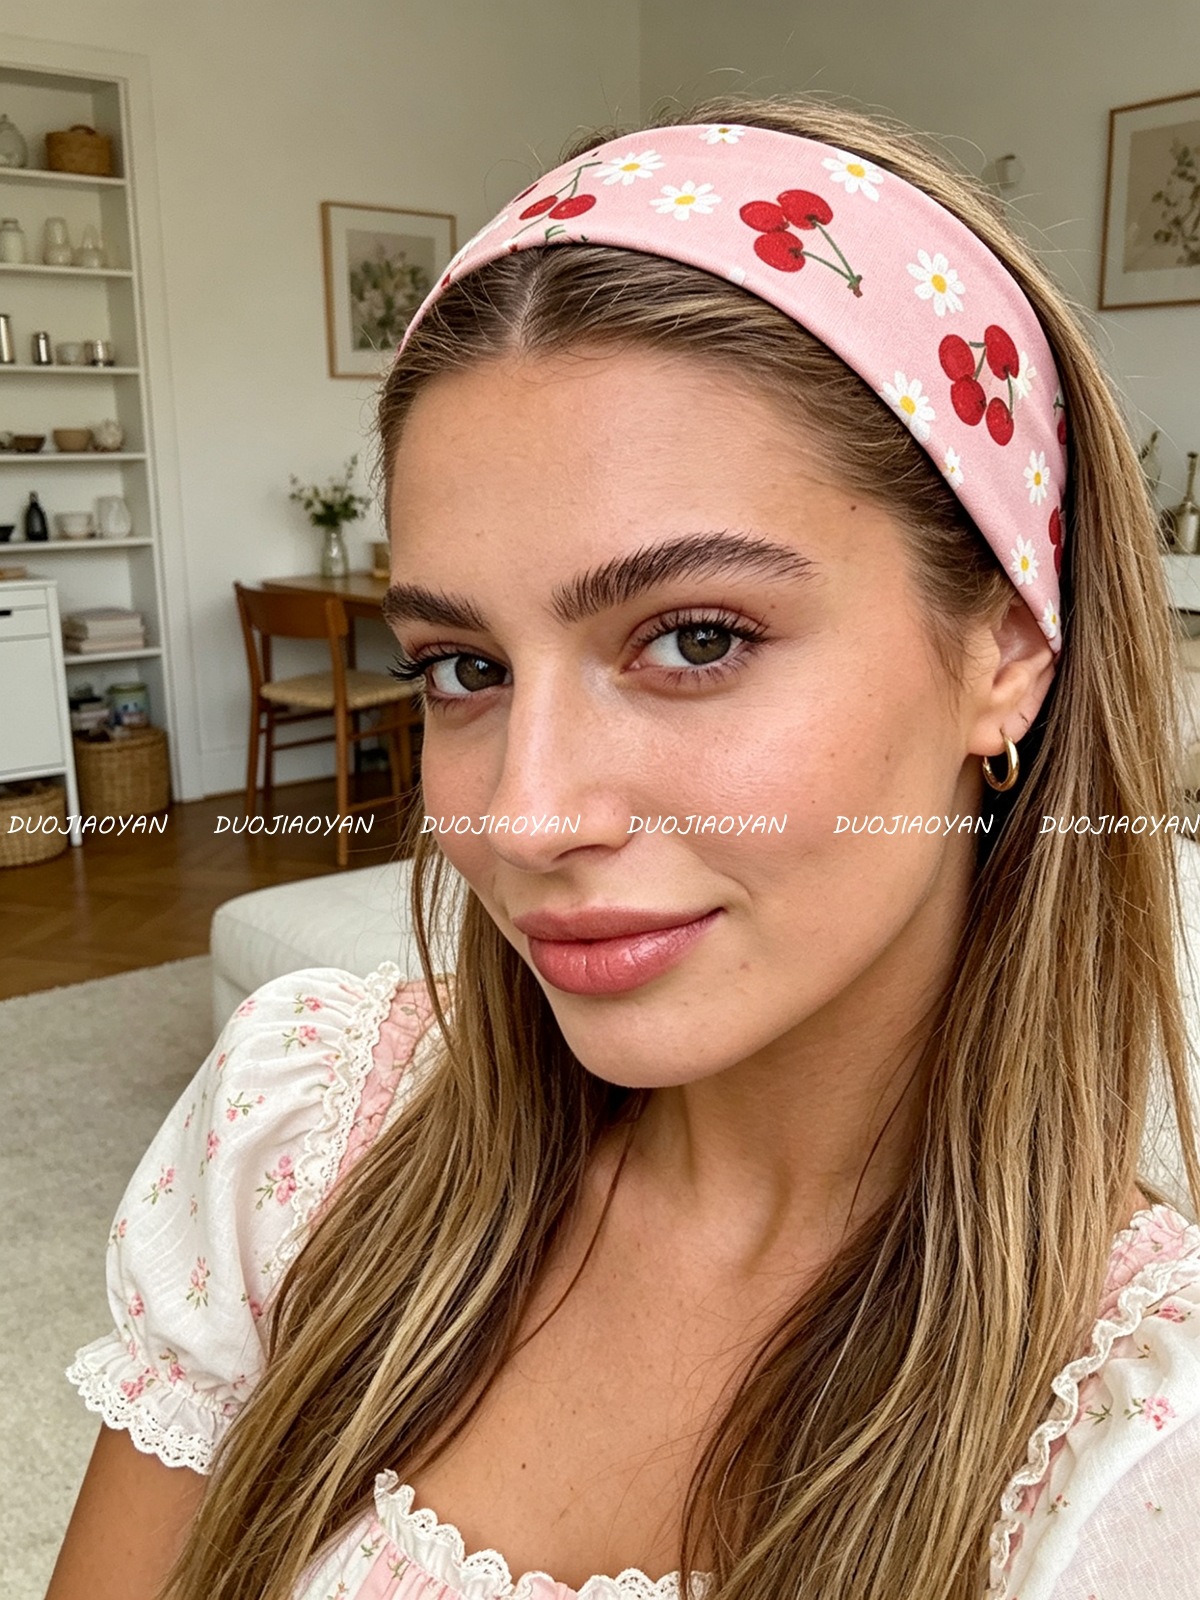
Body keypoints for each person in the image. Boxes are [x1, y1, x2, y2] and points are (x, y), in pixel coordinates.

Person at [46, 97, 1200, 1600]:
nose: (523, 817)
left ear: (1007, 651)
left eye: (697, 638)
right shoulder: (299, 1144)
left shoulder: (1138, 1455)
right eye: (462, 667)